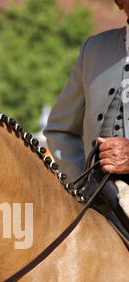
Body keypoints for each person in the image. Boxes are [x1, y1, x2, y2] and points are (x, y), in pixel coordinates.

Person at [44, 0, 129, 181]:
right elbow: (60, 130)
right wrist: (81, 184)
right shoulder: (93, 49)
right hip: (95, 202)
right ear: (119, 2)